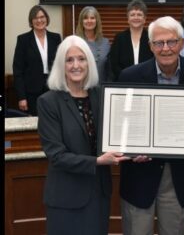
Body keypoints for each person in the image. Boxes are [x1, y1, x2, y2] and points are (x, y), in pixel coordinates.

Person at [117, 16, 184, 235]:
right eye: (159, 43)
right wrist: (129, 150)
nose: (166, 48)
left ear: (182, 43)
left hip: (180, 177)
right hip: (140, 174)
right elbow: (121, 127)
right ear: (150, 46)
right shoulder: (130, 76)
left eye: (171, 42)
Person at [37, 35, 130, 234]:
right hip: (66, 198)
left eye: (81, 58)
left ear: (89, 62)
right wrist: (97, 161)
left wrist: (134, 150)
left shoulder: (102, 96)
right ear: (61, 66)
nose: (76, 65)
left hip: (99, 195)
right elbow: (57, 155)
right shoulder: (48, 102)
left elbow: (118, 134)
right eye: (69, 60)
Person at [13, 5, 61, 116]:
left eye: (42, 17)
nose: (39, 20)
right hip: (31, 93)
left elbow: (60, 66)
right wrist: (22, 97)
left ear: (46, 18)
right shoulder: (23, 40)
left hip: (52, 89)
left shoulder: (56, 38)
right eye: (35, 18)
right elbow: (18, 70)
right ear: (31, 21)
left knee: (53, 122)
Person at [110, 0, 153, 81]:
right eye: (132, 15)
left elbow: (155, 62)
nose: (136, 17)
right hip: (123, 82)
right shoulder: (119, 38)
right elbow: (114, 64)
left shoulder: (151, 37)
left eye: (139, 15)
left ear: (144, 19)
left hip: (147, 83)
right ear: (128, 19)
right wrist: (126, 77)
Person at [76, 6, 112, 82]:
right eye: (85, 18)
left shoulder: (105, 43)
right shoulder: (75, 42)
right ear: (81, 22)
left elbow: (109, 70)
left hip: (101, 88)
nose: (89, 21)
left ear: (97, 21)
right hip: (80, 88)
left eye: (92, 18)